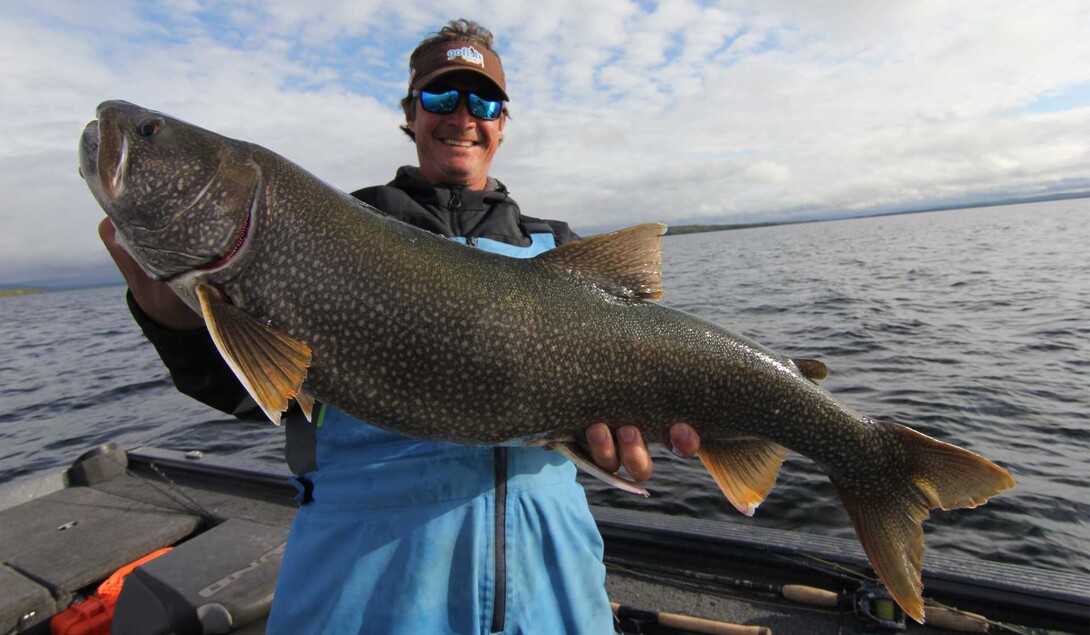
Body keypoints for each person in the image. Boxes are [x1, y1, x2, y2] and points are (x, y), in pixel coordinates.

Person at [98, 19, 701, 634]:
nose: (462, 116)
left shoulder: (555, 248)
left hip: (554, 585)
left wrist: (628, 444)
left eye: (483, 101)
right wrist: (173, 323)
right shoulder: (332, 225)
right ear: (411, 114)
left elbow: (622, 410)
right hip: (368, 592)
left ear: (501, 122)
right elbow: (255, 395)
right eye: (441, 98)